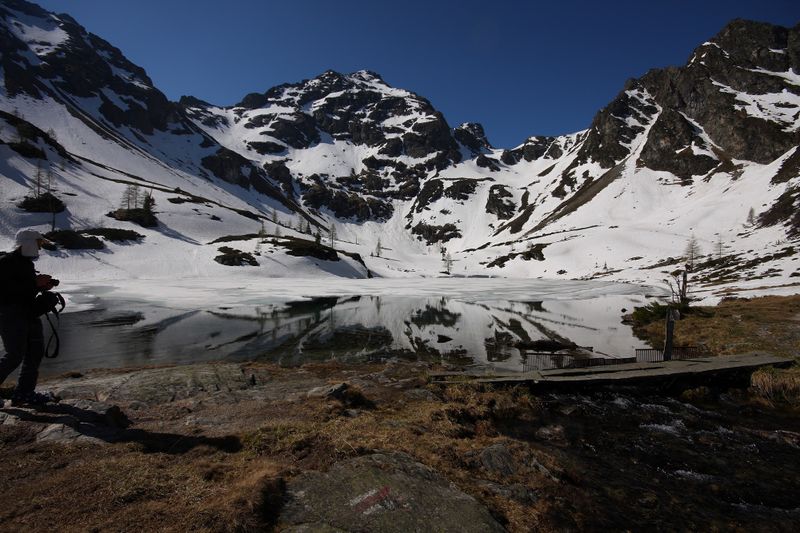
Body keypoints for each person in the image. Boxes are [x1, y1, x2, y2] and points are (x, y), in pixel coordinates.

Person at [0, 229, 60, 407]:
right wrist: (35, 283)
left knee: (34, 352)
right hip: (10, 314)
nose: (40, 248)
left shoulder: (26, 264)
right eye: (38, 244)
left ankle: (24, 394)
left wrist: (42, 287)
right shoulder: (6, 262)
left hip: (28, 312)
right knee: (14, 354)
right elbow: (4, 292)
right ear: (27, 243)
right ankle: (23, 393)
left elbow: (23, 290)